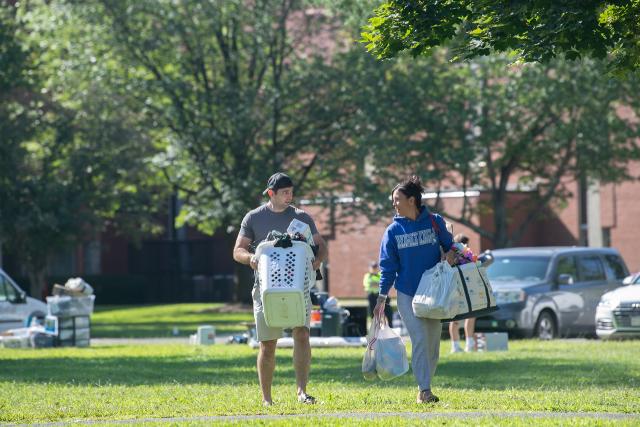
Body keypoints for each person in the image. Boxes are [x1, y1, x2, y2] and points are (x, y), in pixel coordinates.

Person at [233, 172, 328, 406]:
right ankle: (267, 399)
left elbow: (320, 244)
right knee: (268, 343)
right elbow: (238, 250)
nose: (290, 196)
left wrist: (318, 260)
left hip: (299, 287)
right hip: (266, 288)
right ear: (271, 193)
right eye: (285, 192)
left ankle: (302, 392)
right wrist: (250, 258)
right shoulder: (253, 218)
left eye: (291, 192)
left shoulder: (302, 217)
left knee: (303, 335)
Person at [374, 176, 455, 404]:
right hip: (408, 294)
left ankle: (425, 386)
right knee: (419, 338)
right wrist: (382, 297)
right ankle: (425, 390)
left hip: (434, 293)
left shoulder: (434, 221)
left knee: (433, 344)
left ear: (412, 200)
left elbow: (451, 247)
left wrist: (451, 254)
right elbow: (388, 267)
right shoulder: (393, 231)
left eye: (397, 199)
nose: (394, 204)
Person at [449, 233, 477, 353]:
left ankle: (466, 344)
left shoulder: (461, 255)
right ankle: (457, 345)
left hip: (464, 286)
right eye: (465, 244)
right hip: (458, 287)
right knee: (457, 318)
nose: (466, 246)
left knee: (468, 315)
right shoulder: (453, 256)